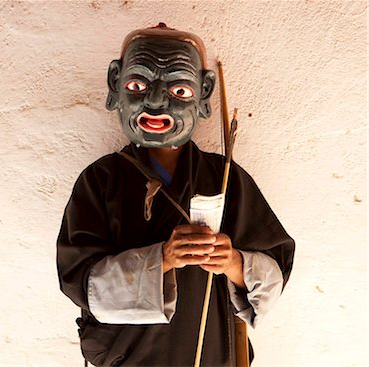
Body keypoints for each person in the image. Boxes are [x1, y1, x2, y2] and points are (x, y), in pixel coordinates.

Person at [57, 23, 295, 367]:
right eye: (137, 85)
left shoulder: (225, 178)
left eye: (180, 90)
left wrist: (232, 262)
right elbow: (79, 280)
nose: (155, 102)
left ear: (205, 94)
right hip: (131, 354)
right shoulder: (100, 180)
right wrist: (163, 259)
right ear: (114, 85)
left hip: (211, 350)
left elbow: (273, 272)